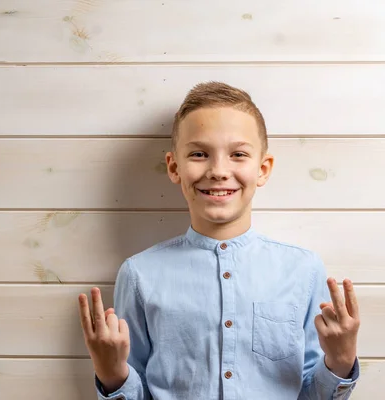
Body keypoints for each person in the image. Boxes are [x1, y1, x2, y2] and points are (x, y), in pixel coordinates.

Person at [77, 81, 361, 399]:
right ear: (174, 167)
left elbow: (312, 393)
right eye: (199, 154)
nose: (218, 171)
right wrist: (112, 374)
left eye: (238, 154)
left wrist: (341, 360)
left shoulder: (303, 269)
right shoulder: (139, 274)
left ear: (263, 169)